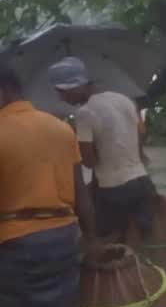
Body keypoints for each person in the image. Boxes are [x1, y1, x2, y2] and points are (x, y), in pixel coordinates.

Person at [0, 67, 95, 307]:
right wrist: (92, 241)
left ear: (5, 90)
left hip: (14, 240)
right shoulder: (60, 128)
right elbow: (82, 195)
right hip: (62, 235)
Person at [51, 56, 156, 243]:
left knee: (108, 241)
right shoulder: (124, 100)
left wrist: (76, 141)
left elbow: (89, 161)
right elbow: (141, 135)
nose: (62, 97)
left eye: (62, 91)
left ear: (75, 87)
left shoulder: (84, 113)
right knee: (135, 240)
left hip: (113, 189)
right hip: (142, 181)